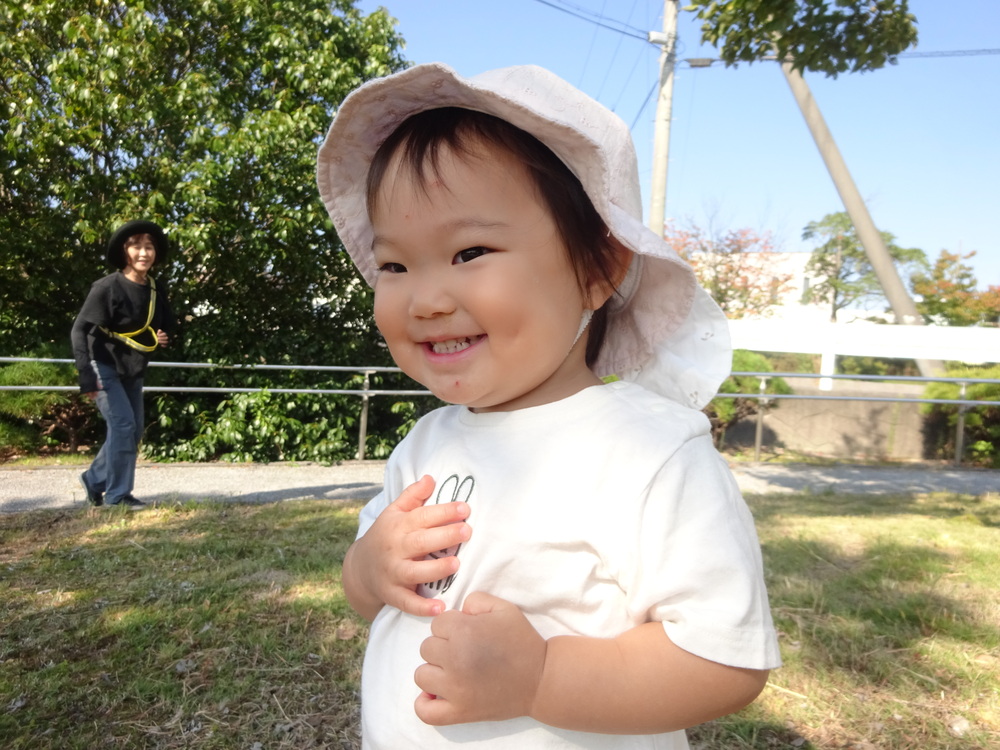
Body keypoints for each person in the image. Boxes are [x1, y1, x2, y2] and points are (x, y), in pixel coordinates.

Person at [316, 63, 781, 749]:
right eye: (395, 266)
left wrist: (539, 678)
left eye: (470, 251)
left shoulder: (650, 455)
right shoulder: (424, 444)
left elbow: (724, 659)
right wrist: (369, 567)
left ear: (598, 268)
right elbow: (370, 597)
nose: (426, 299)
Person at [71, 219, 175, 509]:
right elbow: (79, 331)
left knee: (133, 429)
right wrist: (86, 377)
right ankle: (117, 497)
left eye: (149, 247)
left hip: (133, 368)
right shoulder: (106, 287)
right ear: (125, 252)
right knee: (122, 424)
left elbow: (167, 326)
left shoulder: (155, 289)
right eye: (137, 246)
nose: (144, 253)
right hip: (101, 365)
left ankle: (94, 480)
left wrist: (165, 337)